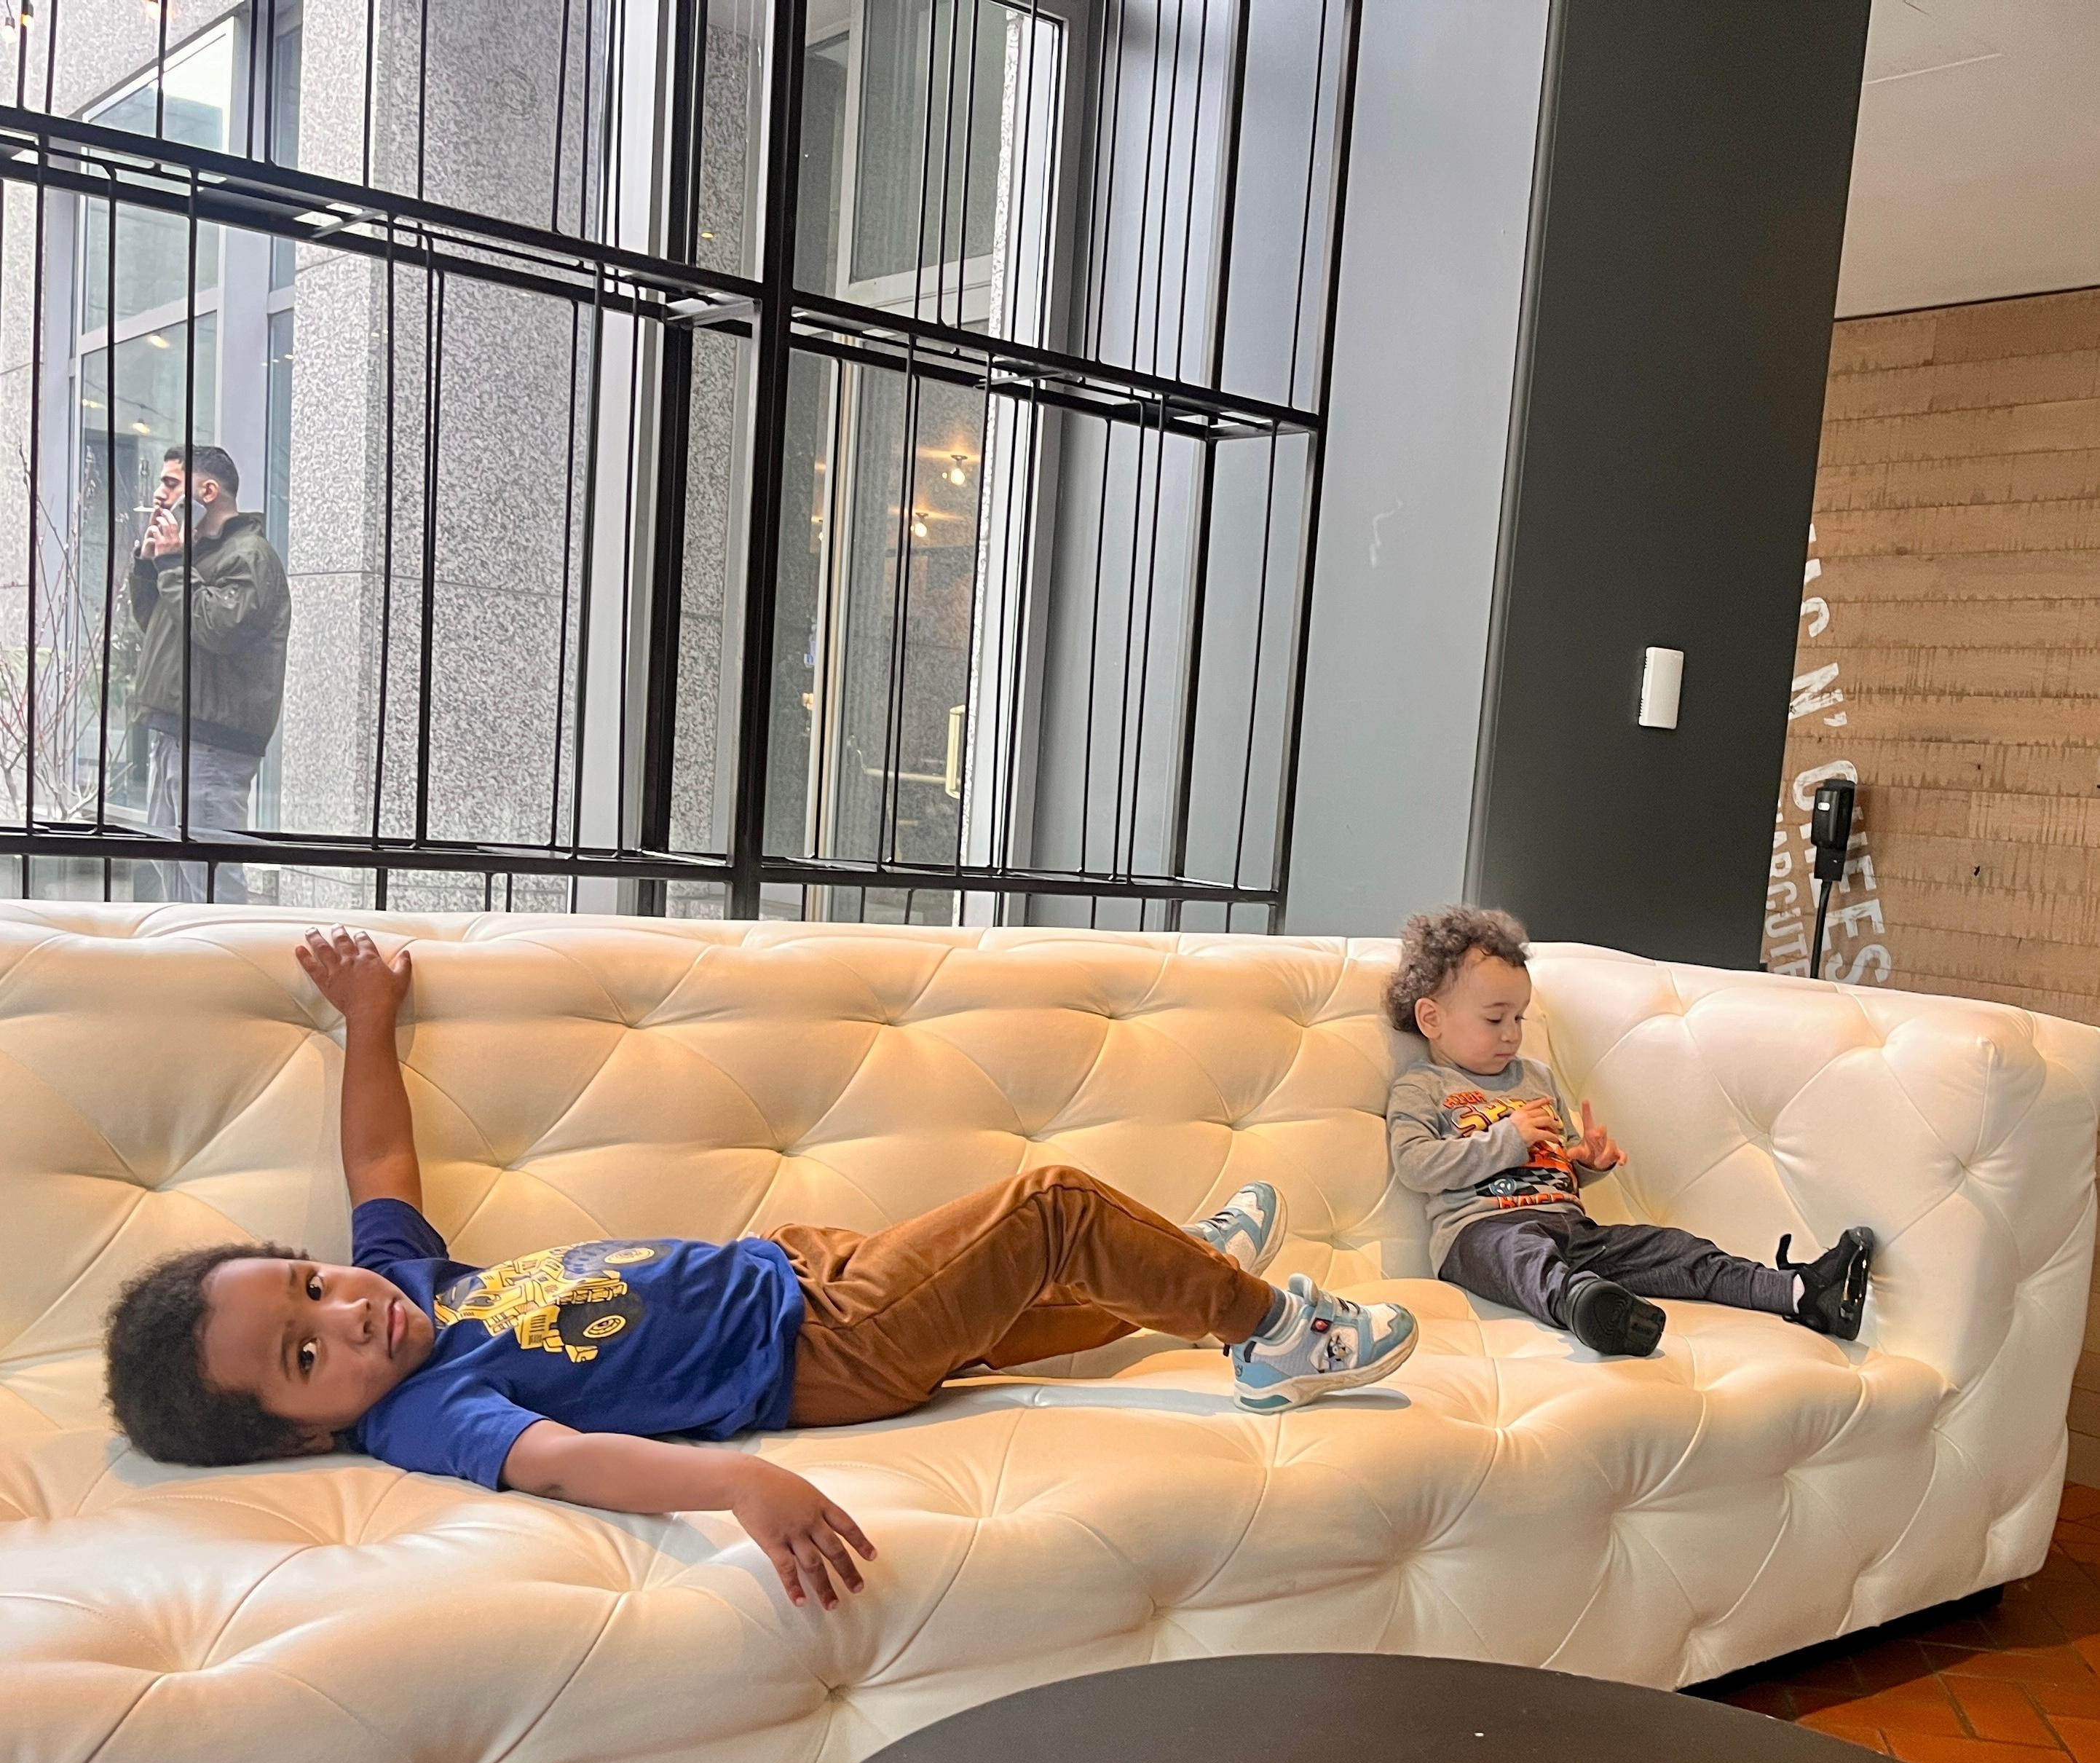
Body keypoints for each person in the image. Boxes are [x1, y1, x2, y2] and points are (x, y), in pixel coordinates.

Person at [103, 928, 1420, 1613]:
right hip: (816, 1347)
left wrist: (368, 1015)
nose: (346, 1313)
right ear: (300, 1436)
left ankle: (1186, 1278)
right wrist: (732, 1482)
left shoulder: (409, 1282)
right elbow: (570, 1462)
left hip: (794, 1269)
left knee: (1021, 1303)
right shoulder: (425, 1412)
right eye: (304, 1357)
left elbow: (379, 1158)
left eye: (310, 1287)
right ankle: (1265, 1329)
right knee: (1050, 1209)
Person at [1385, 904, 1874, 1359]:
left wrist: (1585, 1162)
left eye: (1519, 1017)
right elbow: (1415, 1165)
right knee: (1524, 1257)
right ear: (1432, 1018)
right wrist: (1508, 1138)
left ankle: (1803, 1292)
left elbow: (1558, 1166)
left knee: (1676, 1250)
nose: (1512, 1033)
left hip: (1573, 1228)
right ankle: (1590, 1309)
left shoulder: (1535, 1077)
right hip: (1482, 1233)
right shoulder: (1423, 1087)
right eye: (1495, 1018)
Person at [130, 443, 291, 905]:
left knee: (209, 877)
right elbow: (158, 625)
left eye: (171, 483)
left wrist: (172, 565)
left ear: (208, 492)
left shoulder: (251, 556)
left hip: (213, 742)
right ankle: (187, 952)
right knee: (172, 868)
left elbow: (218, 629)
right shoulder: (195, 554)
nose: (160, 494)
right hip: (175, 732)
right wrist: (150, 565)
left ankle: (225, 953)